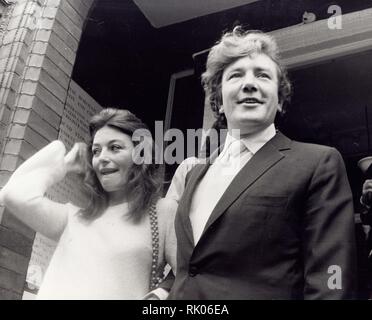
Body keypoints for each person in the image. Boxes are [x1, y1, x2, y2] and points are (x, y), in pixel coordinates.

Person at [166, 27, 356, 299]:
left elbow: (332, 279)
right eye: (236, 75)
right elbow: (192, 268)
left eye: (263, 75)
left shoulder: (318, 163)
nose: (249, 83)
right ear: (218, 101)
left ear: (280, 100)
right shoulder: (194, 174)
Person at [0, 108, 177, 300]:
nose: (102, 157)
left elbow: (190, 274)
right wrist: (64, 164)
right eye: (96, 151)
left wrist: (159, 295)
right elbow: (13, 194)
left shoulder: (163, 212)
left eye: (115, 147)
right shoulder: (73, 218)